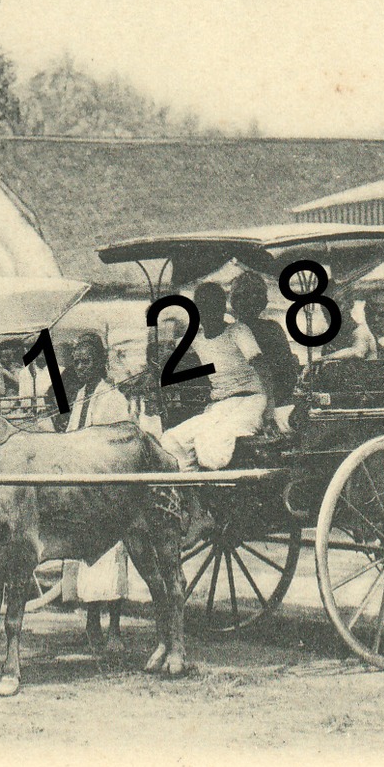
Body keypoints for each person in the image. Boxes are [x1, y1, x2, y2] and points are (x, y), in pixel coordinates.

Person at [59, 333, 137, 650]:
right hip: (83, 487)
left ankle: (115, 628)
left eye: (86, 360)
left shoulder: (112, 398)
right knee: (87, 555)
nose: (80, 367)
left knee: (112, 555)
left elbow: (119, 445)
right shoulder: (80, 395)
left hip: (108, 487)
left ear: (101, 362)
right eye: (76, 361)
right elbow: (71, 437)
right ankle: (92, 623)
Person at [160, 283, 268, 472]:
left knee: (210, 442)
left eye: (213, 305)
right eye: (202, 306)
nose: (207, 312)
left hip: (250, 401)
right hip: (220, 406)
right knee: (172, 439)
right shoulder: (196, 338)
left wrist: (270, 405)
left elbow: (262, 367)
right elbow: (168, 356)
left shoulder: (238, 331)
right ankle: (191, 487)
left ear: (222, 307)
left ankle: (217, 489)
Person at [229, 272, 299, 407]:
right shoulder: (272, 329)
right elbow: (288, 376)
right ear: (263, 302)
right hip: (273, 401)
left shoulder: (228, 331)